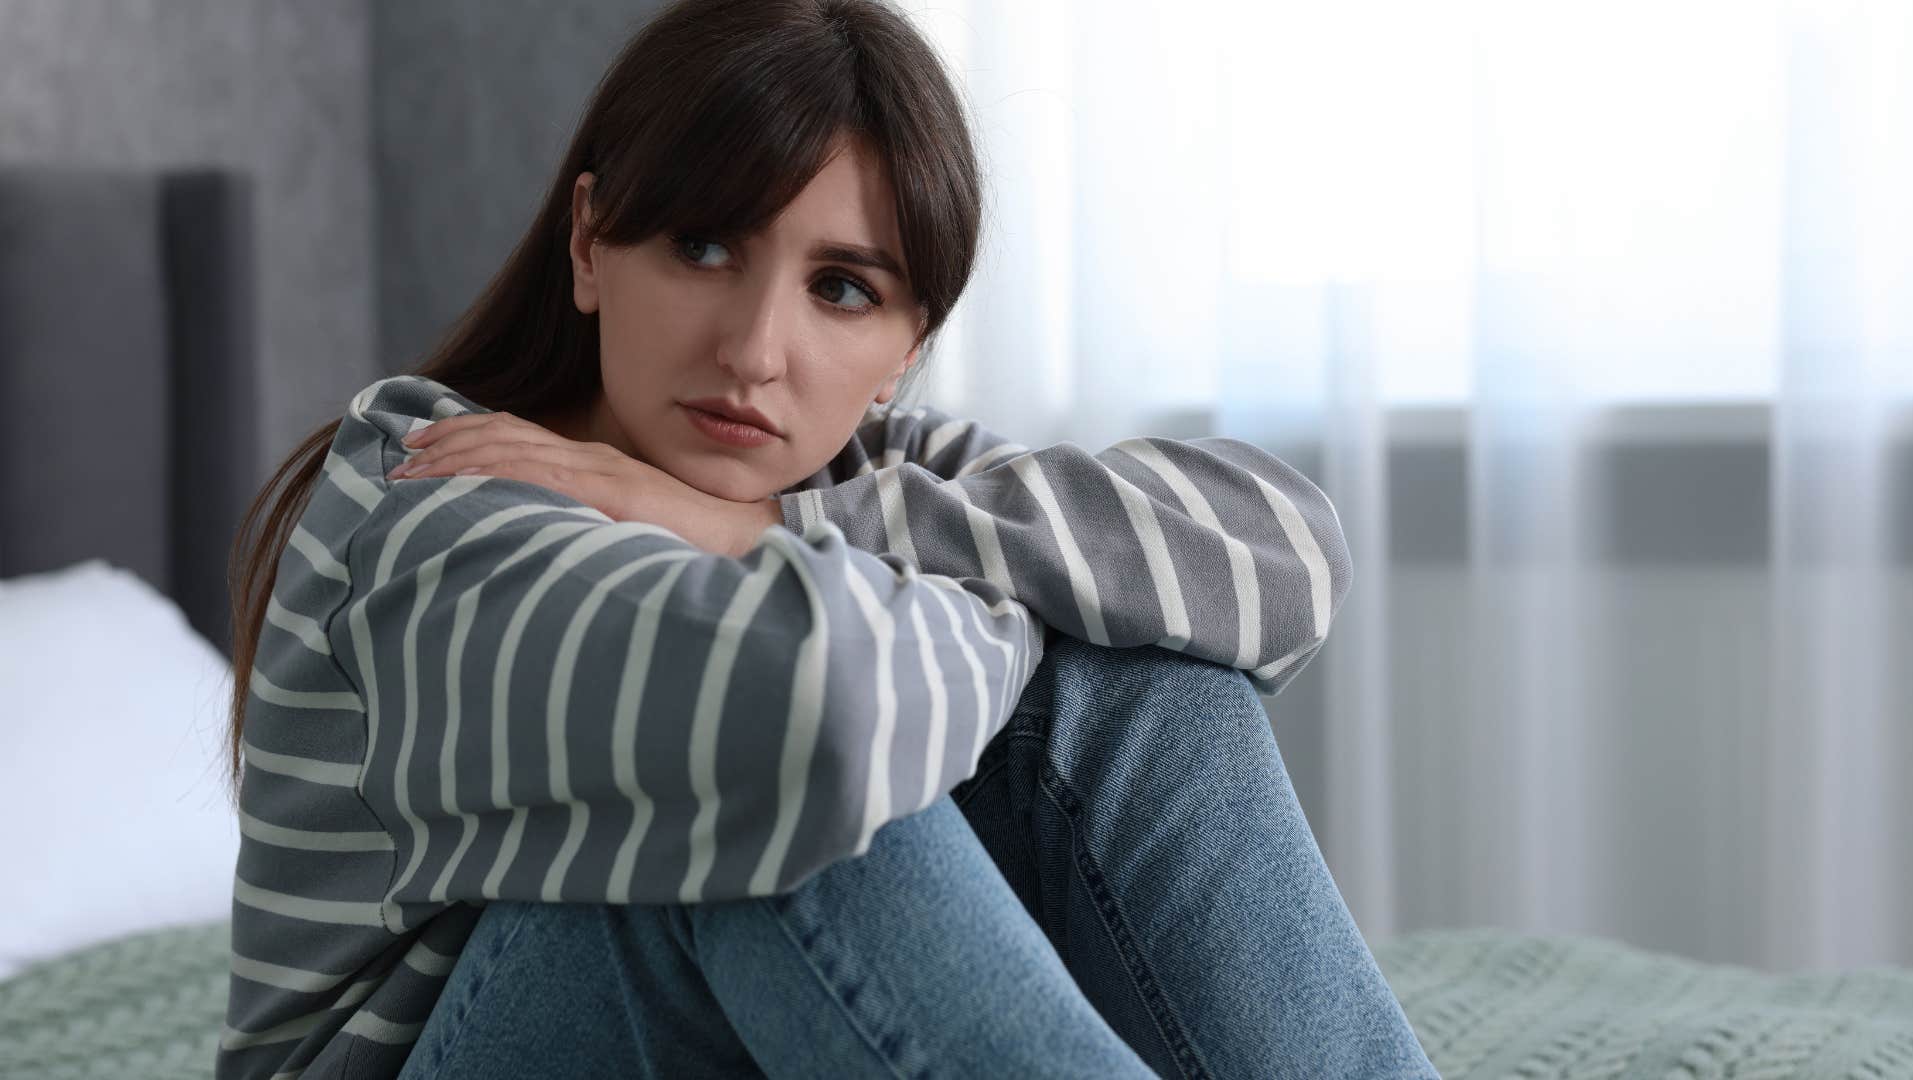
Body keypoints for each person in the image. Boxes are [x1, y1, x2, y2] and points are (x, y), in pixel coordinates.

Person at [218, 0, 1438, 1076]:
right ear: (591, 243)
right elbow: (823, 720)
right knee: (763, 820)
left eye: (842, 288)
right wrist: (1029, 601)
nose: (756, 352)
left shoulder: (858, 476)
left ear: (909, 344)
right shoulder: (434, 491)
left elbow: (1282, 555)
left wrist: (771, 525)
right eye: (704, 246)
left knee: (1141, 686)